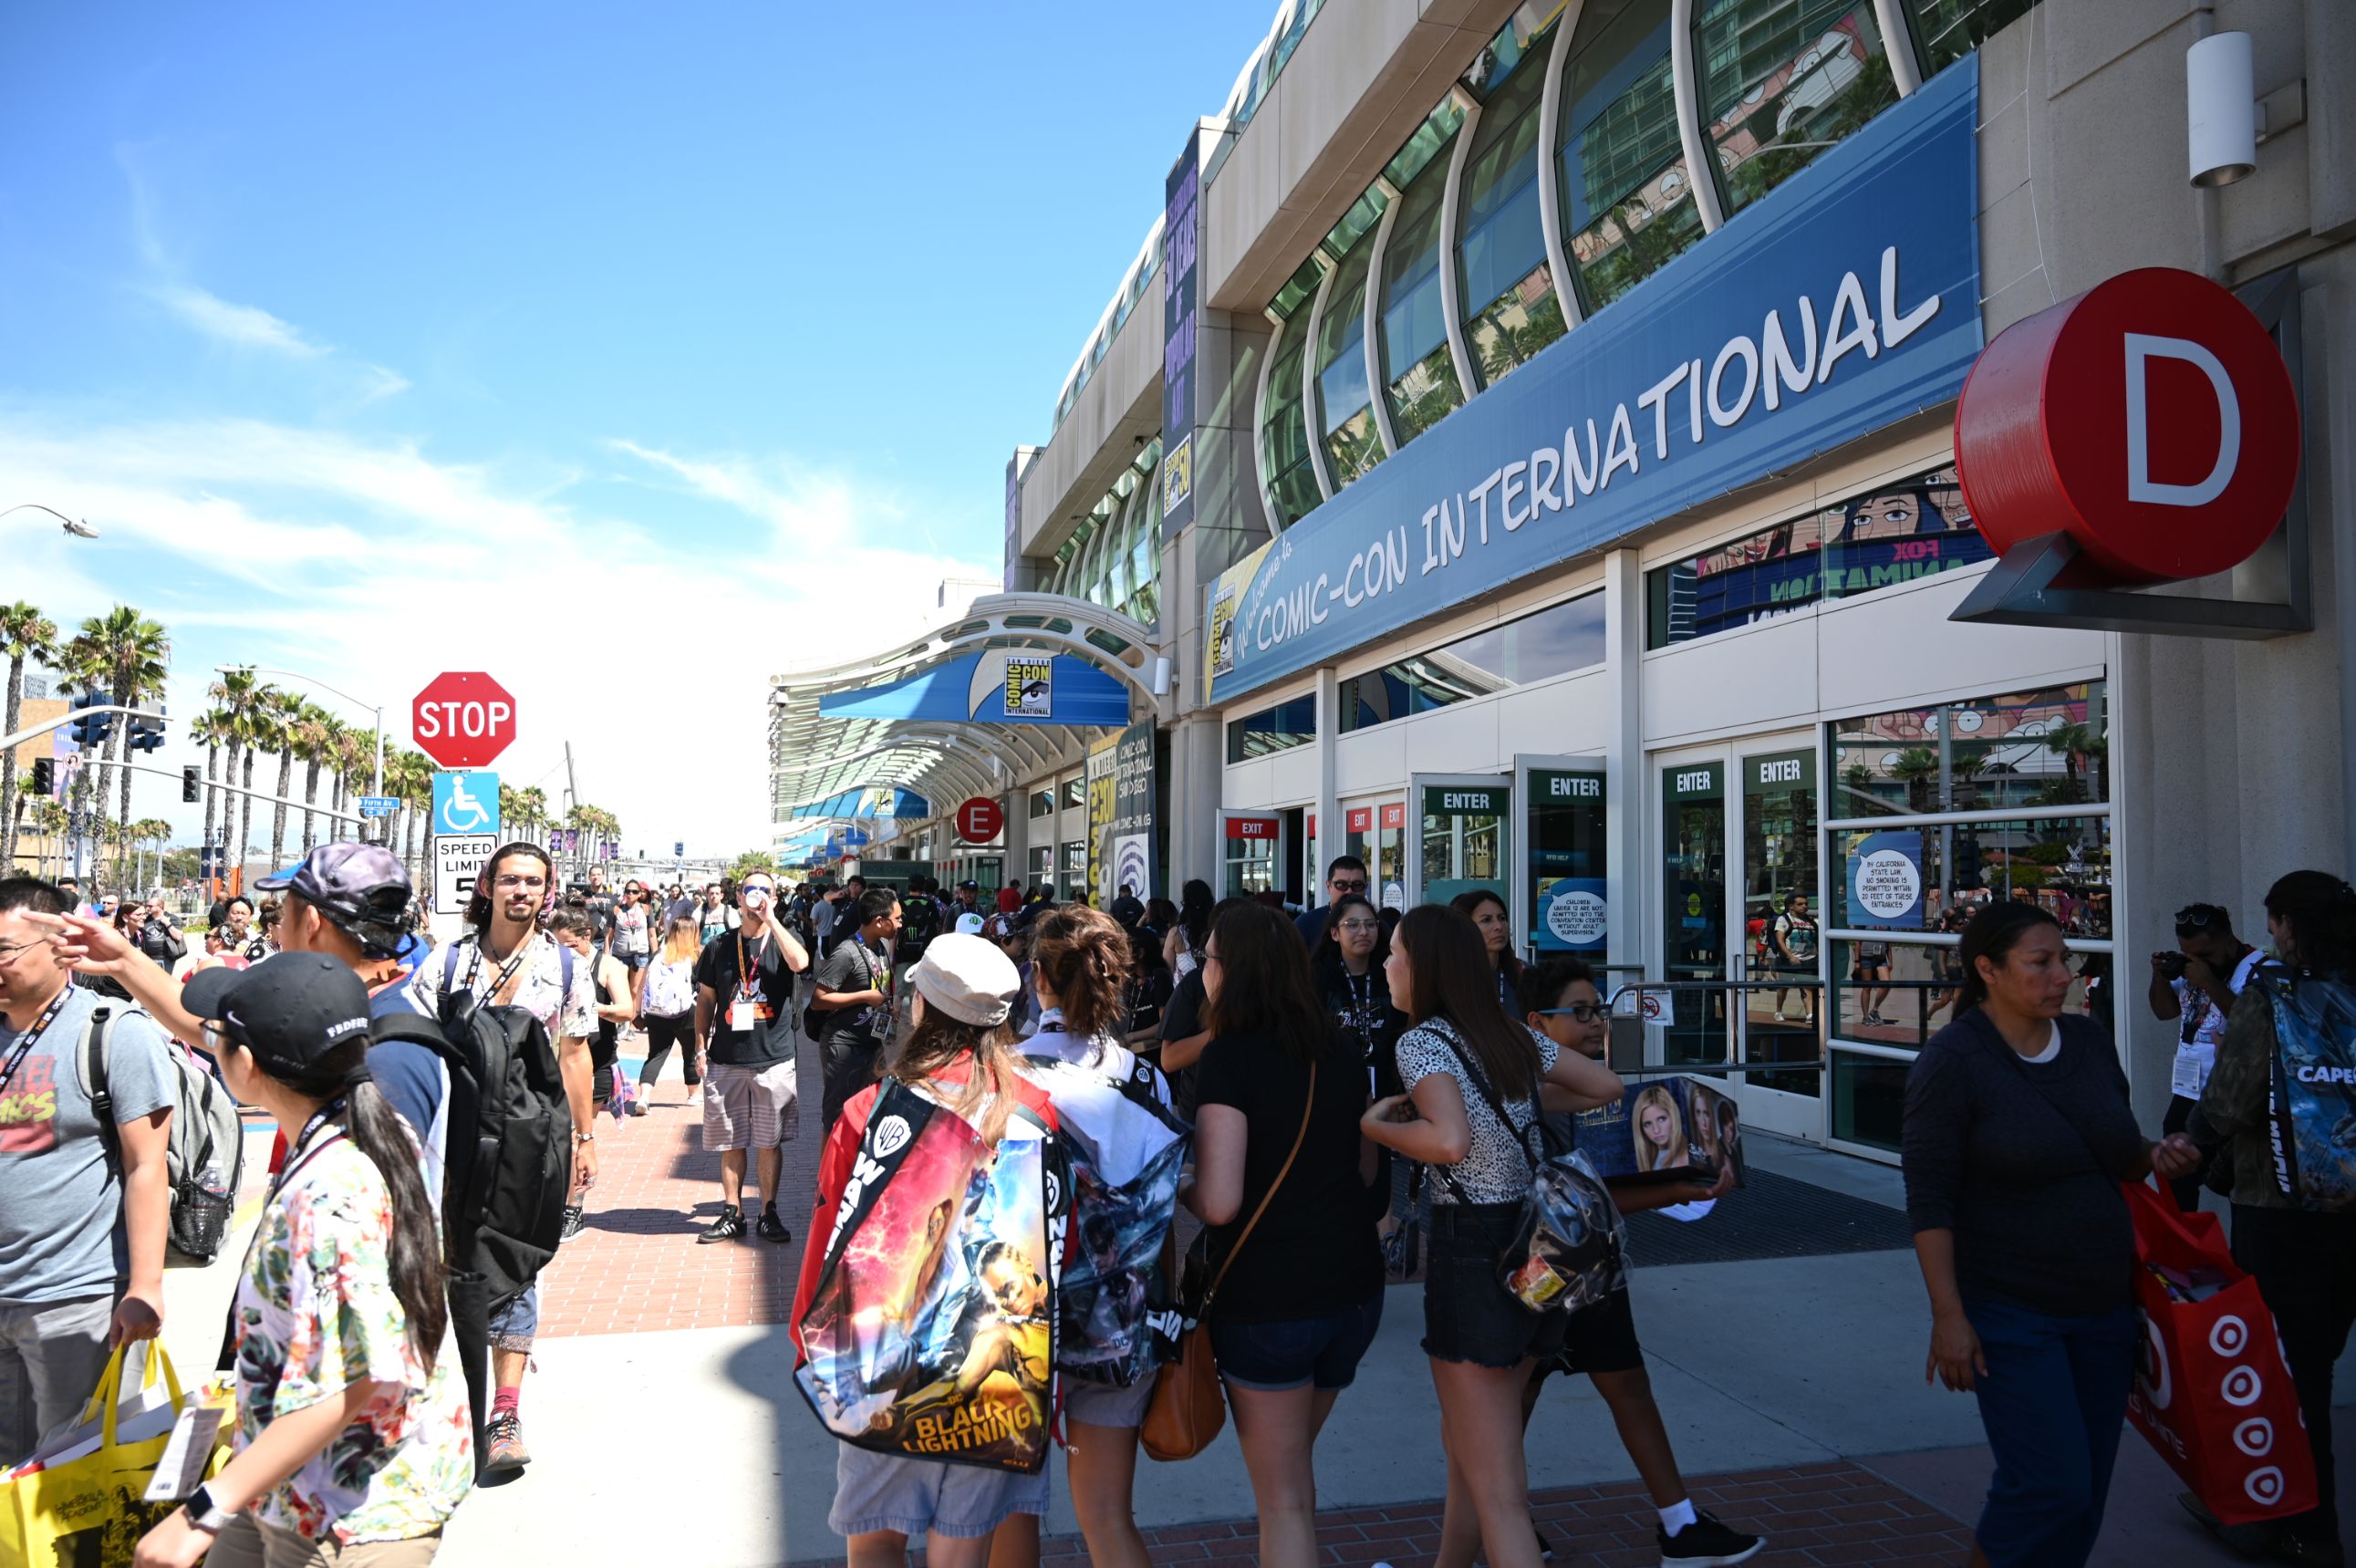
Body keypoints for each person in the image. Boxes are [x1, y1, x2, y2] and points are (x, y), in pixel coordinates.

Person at [134, 955, 470, 1568]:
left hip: (352, 1510)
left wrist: (204, 1509)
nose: (209, 1044)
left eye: (220, 1037)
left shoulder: (333, 1192)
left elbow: (359, 1374)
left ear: (247, 1065)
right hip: (290, 1481)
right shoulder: (363, 1122)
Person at [1903, 901, 2198, 1568]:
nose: (2061, 973)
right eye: (2041, 961)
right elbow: (1929, 1200)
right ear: (1988, 969)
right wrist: (1948, 1314)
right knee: (2045, 1485)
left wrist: (2159, 1152)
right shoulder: (1952, 1061)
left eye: (2062, 959)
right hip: (2009, 1309)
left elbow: (2118, 1152)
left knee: (2083, 1492)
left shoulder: (2089, 1041)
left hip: (2102, 1306)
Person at [1358, 905, 1624, 1568]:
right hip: (1538, 1253)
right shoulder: (1506, 1033)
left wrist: (1375, 1126)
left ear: (1424, 965)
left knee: (1499, 1487)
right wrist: (1520, 1101)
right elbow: (1604, 1084)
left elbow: (1448, 1141)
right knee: (1472, 1452)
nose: (1387, 963)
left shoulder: (1418, 1042)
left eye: (1395, 951)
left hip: (1471, 1252)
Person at [792, 933, 1055, 1566]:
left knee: (876, 1541)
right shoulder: (1038, 1110)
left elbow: (834, 1233)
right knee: (963, 1550)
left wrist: (809, 1337)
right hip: (995, 1376)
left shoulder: (870, 1108)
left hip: (883, 1362)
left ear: (920, 1007)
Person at [1512, 959, 1759, 1565]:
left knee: (1624, 1381)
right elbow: (1576, 1201)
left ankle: (1679, 1525)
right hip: (1537, 1273)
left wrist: (1687, 1183)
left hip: (1591, 1269)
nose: (1598, 1023)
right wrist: (1680, 1191)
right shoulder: (1527, 1092)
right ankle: (1497, 1519)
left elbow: (1602, 1196)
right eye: (1582, 1012)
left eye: (1600, 1009)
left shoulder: (1598, 1087)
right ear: (1536, 1022)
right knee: (1507, 1398)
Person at [1178, 900, 1383, 1568]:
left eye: (1208, 956)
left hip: (1268, 1300)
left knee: (1284, 1499)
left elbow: (1219, 1199)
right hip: (1353, 1287)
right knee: (1293, 1475)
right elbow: (1364, 1166)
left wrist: (1178, 1183)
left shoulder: (1228, 1058)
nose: (1201, 968)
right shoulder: (1341, 1049)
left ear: (1231, 970)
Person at [407, 841, 597, 1478]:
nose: (521, 891)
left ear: (548, 892)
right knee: (438, 1258)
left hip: (531, 1143)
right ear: (486, 885)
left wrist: (584, 1141)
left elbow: (574, 1055)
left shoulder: (565, 967)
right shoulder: (449, 961)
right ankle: (441, 1401)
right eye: (510, 879)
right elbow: (415, 1043)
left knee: (517, 1259)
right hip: (451, 1136)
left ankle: (505, 1414)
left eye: (533, 882)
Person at [2187, 872, 2356, 1564]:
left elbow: (2227, 1103)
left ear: (2286, 923)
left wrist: (2185, 1148)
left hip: (2282, 1209)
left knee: (2291, 1377)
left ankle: (2301, 1526)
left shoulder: (2272, 995)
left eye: (2275, 923)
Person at [1006, 907, 1182, 1568]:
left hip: (1016, 1326)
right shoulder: (1146, 1081)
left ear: (1038, 976)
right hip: (1119, 1322)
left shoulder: (1003, 1074)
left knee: (1010, 1515)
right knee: (1109, 1517)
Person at [0, 876, 174, 1465]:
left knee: (80, 1487)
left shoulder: (113, 1033)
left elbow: (147, 1165)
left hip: (79, 1302)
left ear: (61, 944)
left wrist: (144, 1287)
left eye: (3, 950)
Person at [691, 869, 808, 1244]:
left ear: (774, 897)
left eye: (765, 891)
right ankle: (732, 1212)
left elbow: (801, 964)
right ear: (737, 898)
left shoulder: (783, 940)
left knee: (769, 1140)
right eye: (750, 891)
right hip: (727, 1057)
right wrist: (699, 1045)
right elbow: (707, 999)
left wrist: (773, 920)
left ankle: (768, 1211)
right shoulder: (720, 946)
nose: (756, 897)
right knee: (731, 1139)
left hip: (773, 1057)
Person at [2144, 900, 2261, 1210]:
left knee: (2241, 1189)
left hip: (2232, 1098)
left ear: (2228, 939)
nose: (2197, 961)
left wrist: (2208, 982)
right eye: (2189, 954)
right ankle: (2183, 1253)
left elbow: (2254, 1026)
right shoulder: (2192, 966)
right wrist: (2160, 977)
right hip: (2187, 1093)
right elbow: (2164, 1012)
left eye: (2205, 955)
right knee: (2176, 1189)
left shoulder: (2260, 968)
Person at [551, 909, 633, 1241]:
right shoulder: (551, 965)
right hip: (554, 1064)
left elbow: (627, 1010)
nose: (562, 953)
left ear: (587, 937)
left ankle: (574, 1209)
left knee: (574, 1139)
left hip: (594, 1064)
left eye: (569, 945)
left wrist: (586, 1005)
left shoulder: (608, 966)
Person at [811, 887, 901, 1129]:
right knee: (837, 1118)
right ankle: (828, 1168)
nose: (901, 924)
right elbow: (818, 999)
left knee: (866, 1114)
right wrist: (864, 996)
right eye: (897, 919)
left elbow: (878, 986)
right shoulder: (846, 952)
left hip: (873, 1042)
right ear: (879, 921)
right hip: (844, 1045)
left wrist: (888, 1005)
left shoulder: (879, 947)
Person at [635, 912, 703, 1112]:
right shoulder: (695, 956)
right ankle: (692, 1095)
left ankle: (644, 1097)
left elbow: (642, 986)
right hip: (686, 1014)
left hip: (656, 1014)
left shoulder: (658, 955)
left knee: (655, 1054)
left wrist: (638, 1012)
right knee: (690, 1053)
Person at [1449, 888, 1523, 1011]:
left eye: (1502, 918)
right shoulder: (1450, 978)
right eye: (1486, 920)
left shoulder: (1523, 973)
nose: (1499, 927)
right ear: (1465, 927)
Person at [1292, 857, 1369, 948]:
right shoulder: (1306, 925)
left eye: (1357, 885)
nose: (1349, 891)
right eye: (1341, 885)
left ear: (1366, 887)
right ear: (1329, 886)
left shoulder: (1375, 926)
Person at [1769, 893, 1818, 1023]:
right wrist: (1790, 956)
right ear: (1791, 906)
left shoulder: (1811, 921)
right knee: (1783, 987)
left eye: (1806, 904)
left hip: (1808, 959)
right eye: (1800, 904)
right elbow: (1780, 940)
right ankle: (1778, 1011)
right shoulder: (1783, 920)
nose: (1804, 906)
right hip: (1787, 959)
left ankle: (1810, 1014)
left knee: (1807, 987)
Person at [612, 881, 653, 1014]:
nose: (630, 894)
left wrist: (656, 955)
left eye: (634, 891)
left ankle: (630, 1020)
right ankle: (621, 1019)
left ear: (640, 894)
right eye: (628, 891)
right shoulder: (617, 910)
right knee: (621, 989)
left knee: (634, 990)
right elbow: (609, 935)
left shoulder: (646, 909)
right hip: (620, 955)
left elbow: (652, 934)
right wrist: (607, 956)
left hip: (640, 955)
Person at [1165, 878, 1213, 981]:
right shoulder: (1215, 931)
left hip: (1181, 993)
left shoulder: (1176, 933)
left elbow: (1167, 970)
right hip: (1210, 992)